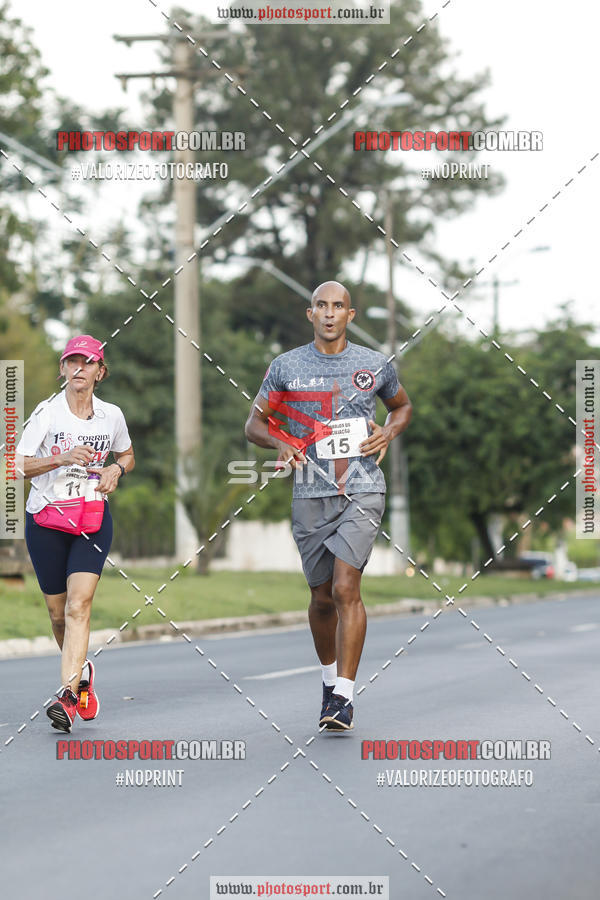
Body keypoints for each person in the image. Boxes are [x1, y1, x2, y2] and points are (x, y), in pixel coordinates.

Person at [245, 281, 412, 731]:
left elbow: (401, 407)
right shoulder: (286, 367)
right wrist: (280, 442)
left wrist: (388, 432)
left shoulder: (374, 365)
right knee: (320, 598)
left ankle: (343, 696)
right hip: (308, 494)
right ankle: (327, 680)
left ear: (350, 315)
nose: (330, 313)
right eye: (322, 305)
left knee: (344, 588)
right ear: (310, 313)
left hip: (361, 489)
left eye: (339, 306)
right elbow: (254, 425)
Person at [16, 335, 134, 733]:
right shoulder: (47, 414)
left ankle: (66, 697)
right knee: (57, 614)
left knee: (78, 606)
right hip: (46, 521)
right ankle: (82, 674)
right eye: (72, 362)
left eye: (88, 363)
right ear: (63, 370)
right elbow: (15, 466)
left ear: (100, 372)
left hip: (92, 519)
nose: (79, 368)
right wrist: (61, 457)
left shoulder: (111, 416)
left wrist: (116, 470)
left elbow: (127, 455)